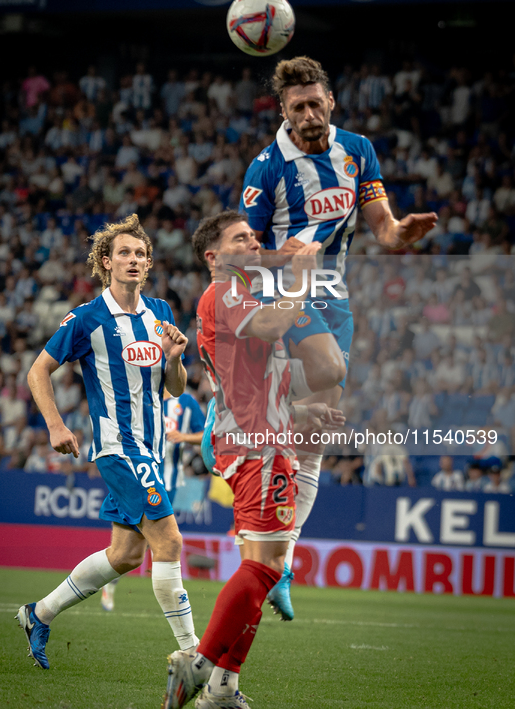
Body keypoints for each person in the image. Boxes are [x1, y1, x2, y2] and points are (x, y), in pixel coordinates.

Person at [238, 56, 437, 620]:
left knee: (318, 432)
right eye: (297, 106)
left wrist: (402, 234)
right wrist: (291, 256)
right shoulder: (268, 167)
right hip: (284, 294)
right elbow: (241, 255)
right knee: (329, 370)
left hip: (335, 295)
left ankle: (281, 562)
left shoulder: (358, 150)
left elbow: (382, 227)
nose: (308, 113)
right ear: (283, 111)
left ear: (331, 102)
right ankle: (233, 432)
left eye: (315, 103)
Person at [163, 211, 344, 709]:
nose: (254, 241)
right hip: (256, 447)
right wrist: (303, 279)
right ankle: (198, 667)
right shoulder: (225, 293)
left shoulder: (232, 297)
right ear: (213, 256)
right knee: (265, 568)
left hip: (263, 437)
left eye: (254, 235)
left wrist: (304, 409)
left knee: (264, 565)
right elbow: (270, 325)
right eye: (241, 237)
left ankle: (222, 690)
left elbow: (248, 384)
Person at [16, 215, 198, 669]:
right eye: (124, 253)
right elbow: (37, 371)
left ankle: (39, 613)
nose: (133, 260)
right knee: (169, 543)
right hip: (120, 449)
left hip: (151, 449)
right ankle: (196, 657)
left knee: (125, 554)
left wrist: (175, 359)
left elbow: (175, 387)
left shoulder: (161, 313)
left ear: (149, 262)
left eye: (140, 254)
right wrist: (56, 426)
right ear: (106, 262)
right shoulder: (87, 319)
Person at [101, 386, 205, 612]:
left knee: (153, 539)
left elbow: (206, 435)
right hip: (137, 477)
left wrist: (184, 437)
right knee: (139, 540)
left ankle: (113, 579)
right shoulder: (141, 393)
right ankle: (110, 577)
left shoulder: (186, 402)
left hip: (168, 482)